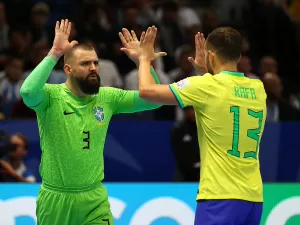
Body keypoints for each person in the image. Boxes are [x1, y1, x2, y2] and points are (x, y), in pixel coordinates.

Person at [20, 19, 165, 225]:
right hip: (55, 200)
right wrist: (54, 53)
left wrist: (143, 62)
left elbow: (154, 100)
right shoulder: (51, 96)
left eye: (96, 63)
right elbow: (27, 92)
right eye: (86, 63)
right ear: (68, 70)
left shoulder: (108, 97)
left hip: (94, 199)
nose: (94, 68)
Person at [133, 26, 266, 225]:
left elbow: (147, 91)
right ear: (238, 55)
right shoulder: (258, 88)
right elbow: (225, 95)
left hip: (219, 197)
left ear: (210, 55)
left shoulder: (205, 86)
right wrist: (207, 69)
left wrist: (143, 59)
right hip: (253, 199)